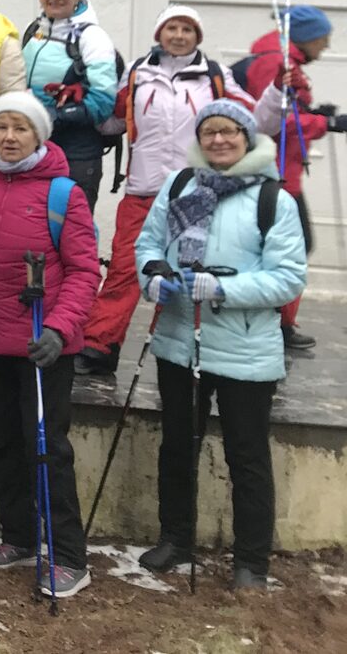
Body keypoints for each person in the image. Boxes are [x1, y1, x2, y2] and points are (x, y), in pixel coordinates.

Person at [132, 101, 307, 591]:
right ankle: (176, 538)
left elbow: (288, 280)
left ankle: (251, 561)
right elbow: (147, 245)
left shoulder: (274, 199)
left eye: (229, 132)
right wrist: (154, 275)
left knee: (246, 455)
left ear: (247, 138)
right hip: (179, 342)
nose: (218, 140)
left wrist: (225, 290)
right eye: (209, 131)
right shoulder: (180, 183)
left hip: (245, 351)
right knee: (177, 446)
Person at [0, 91, 98, 597]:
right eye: (2, 128)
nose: (10, 137)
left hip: (44, 346)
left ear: (40, 135)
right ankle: (17, 535)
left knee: (48, 450)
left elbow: (85, 271)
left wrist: (59, 329)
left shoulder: (64, 194)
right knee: (4, 442)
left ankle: (68, 556)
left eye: (21, 128)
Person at [78, 6, 250, 375]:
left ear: (197, 36)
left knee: (180, 270)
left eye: (186, 29)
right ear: (160, 33)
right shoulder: (139, 72)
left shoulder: (216, 76)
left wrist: (279, 99)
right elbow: (110, 119)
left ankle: (171, 349)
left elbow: (251, 117)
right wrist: (80, 101)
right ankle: (99, 344)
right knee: (125, 267)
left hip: (193, 189)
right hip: (142, 188)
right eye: (171, 27)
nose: (178, 35)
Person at [240, 4, 339, 351]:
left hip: (287, 171)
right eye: (322, 40)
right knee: (291, 248)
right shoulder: (275, 60)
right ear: (306, 36)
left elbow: (292, 108)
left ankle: (280, 322)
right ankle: (277, 324)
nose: (324, 48)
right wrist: (326, 123)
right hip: (276, 173)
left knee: (289, 247)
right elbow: (278, 118)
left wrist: (313, 112)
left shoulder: (284, 59)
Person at [20, 0, 119, 206]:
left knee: (74, 233)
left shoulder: (93, 37)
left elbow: (104, 101)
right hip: (35, 149)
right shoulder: (35, 30)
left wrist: (55, 116)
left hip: (77, 154)